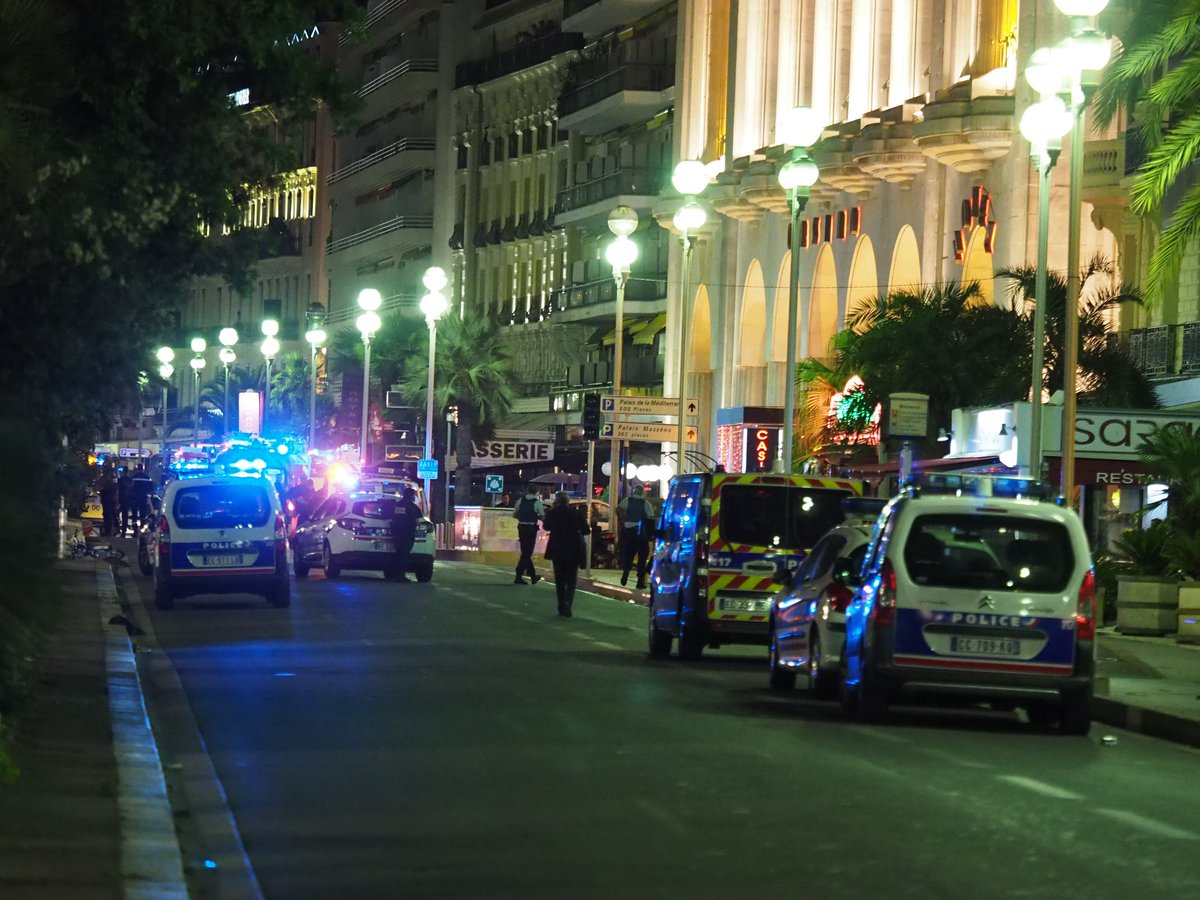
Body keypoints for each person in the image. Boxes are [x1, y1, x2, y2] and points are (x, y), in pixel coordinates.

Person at [543, 491, 588, 616]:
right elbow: (586, 529)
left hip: (557, 547)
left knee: (560, 579)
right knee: (571, 579)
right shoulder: (575, 513)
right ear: (568, 501)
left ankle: (561, 604)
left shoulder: (553, 513)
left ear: (557, 501)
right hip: (573, 548)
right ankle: (568, 604)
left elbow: (546, 527)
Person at [617, 483, 656, 589]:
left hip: (629, 532)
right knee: (642, 557)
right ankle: (640, 581)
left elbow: (618, 509)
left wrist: (622, 520)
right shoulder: (646, 504)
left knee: (628, 554)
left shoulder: (627, 501)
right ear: (642, 493)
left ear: (634, 491)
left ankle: (626, 571)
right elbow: (651, 518)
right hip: (641, 534)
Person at [388, 487, 423, 582]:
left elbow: (391, 516)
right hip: (408, 534)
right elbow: (417, 521)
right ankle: (400, 575)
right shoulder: (413, 507)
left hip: (396, 533)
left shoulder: (396, 505)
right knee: (404, 555)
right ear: (411, 496)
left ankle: (394, 574)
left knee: (398, 553)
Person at [512, 485, 544, 585]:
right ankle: (519, 573)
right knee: (527, 552)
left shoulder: (520, 501)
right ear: (537, 492)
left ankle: (533, 575)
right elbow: (543, 516)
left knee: (525, 552)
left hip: (521, 527)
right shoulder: (537, 502)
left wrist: (523, 517)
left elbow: (515, 514)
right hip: (531, 529)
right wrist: (537, 517)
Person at [129, 465, 154, 532]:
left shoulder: (134, 477)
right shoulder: (147, 478)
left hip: (135, 497)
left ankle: (134, 525)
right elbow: (151, 489)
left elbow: (130, 487)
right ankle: (142, 525)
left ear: (137, 469)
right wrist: (148, 497)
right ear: (143, 469)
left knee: (134, 511)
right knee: (143, 511)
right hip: (143, 498)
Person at [98, 468, 119, 537]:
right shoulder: (113, 478)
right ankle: (115, 529)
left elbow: (99, 487)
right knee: (112, 514)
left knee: (107, 515)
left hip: (107, 498)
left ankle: (109, 530)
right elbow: (116, 487)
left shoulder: (103, 478)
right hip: (111, 499)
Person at [116, 467, 132, 535]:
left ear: (123, 472)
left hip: (120, 499)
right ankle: (123, 529)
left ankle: (117, 527)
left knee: (115, 513)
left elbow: (117, 490)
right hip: (127, 500)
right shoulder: (130, 480)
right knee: (125, 515)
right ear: (128, 472)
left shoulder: (120, 480)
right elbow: (131, 491)